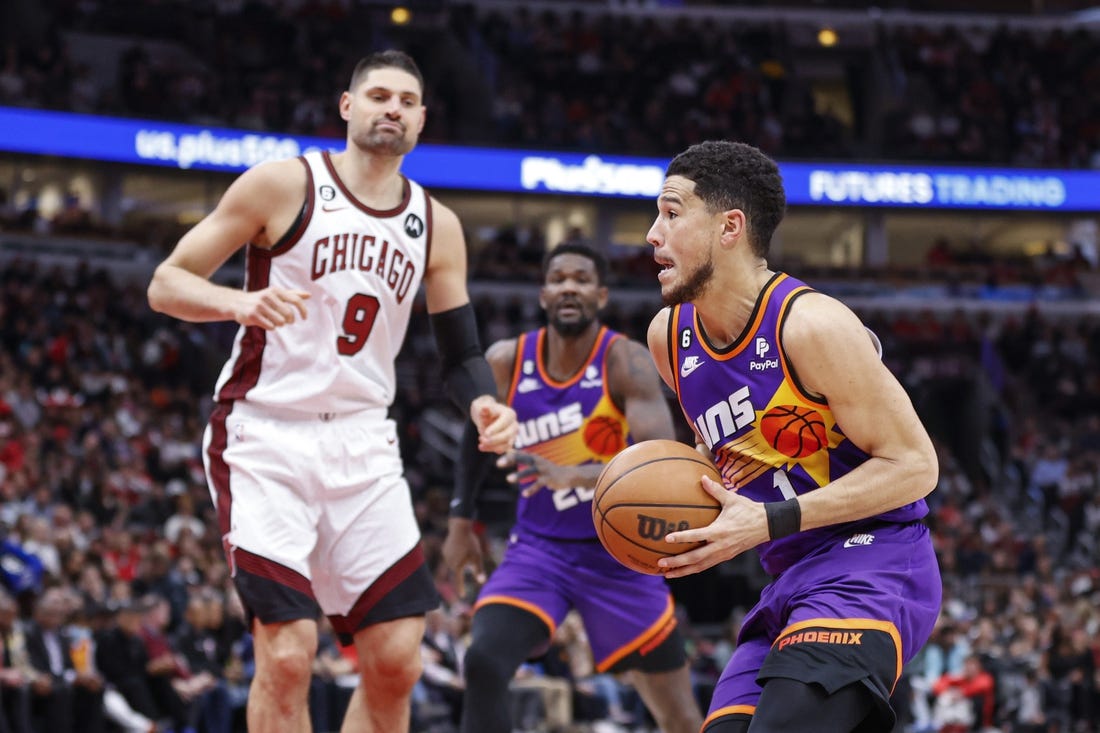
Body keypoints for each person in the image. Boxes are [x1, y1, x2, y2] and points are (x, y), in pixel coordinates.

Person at [146, 49, 518, 733]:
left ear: (423, 120)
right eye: (378, 96)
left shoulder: (437, 225)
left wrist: (482, 402)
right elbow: (166, 282)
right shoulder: (283, 185)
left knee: (398, 656)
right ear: (347, 107)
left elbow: (461, 352)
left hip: (362, 439)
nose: (393, 109)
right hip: (265, 433)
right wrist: (238, 304)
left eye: (407, 101)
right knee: (288, 654)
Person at [644, 140, 942, 733]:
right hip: (786, 577)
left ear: (730, 227)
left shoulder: (812, 325)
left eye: (672, 213)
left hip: (874, 561)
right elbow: (723, 455)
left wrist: (768, 520)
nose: (653, 233)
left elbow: (915, 465)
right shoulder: (667, 338)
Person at [443, 242, 703, 733]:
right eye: (558, 278)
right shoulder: (507, 360)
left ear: (600, 295)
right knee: (482, 660)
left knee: (678, 715)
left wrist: (576, 475)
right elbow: (474, 440)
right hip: (538, 552)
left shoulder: (625, 361)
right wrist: (460, 522)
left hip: (620, 561)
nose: (568, 286)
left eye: (581, 279)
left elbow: (662, 461)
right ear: (543, 294)